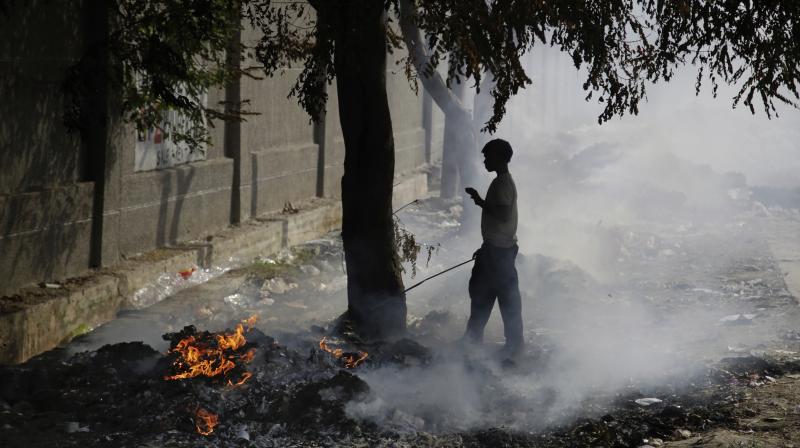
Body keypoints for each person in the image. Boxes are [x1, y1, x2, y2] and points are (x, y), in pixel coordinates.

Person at [463, 138, 523, 358]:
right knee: (488, 294)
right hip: (496, 250)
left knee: (495, 296)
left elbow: (503, 214)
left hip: (499, 253)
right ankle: (474, 339)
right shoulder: (502, 182)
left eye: (488, 157)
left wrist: (480, 201)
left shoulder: (503, 184)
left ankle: (506, 345)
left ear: (498, 158)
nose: (485, 161)